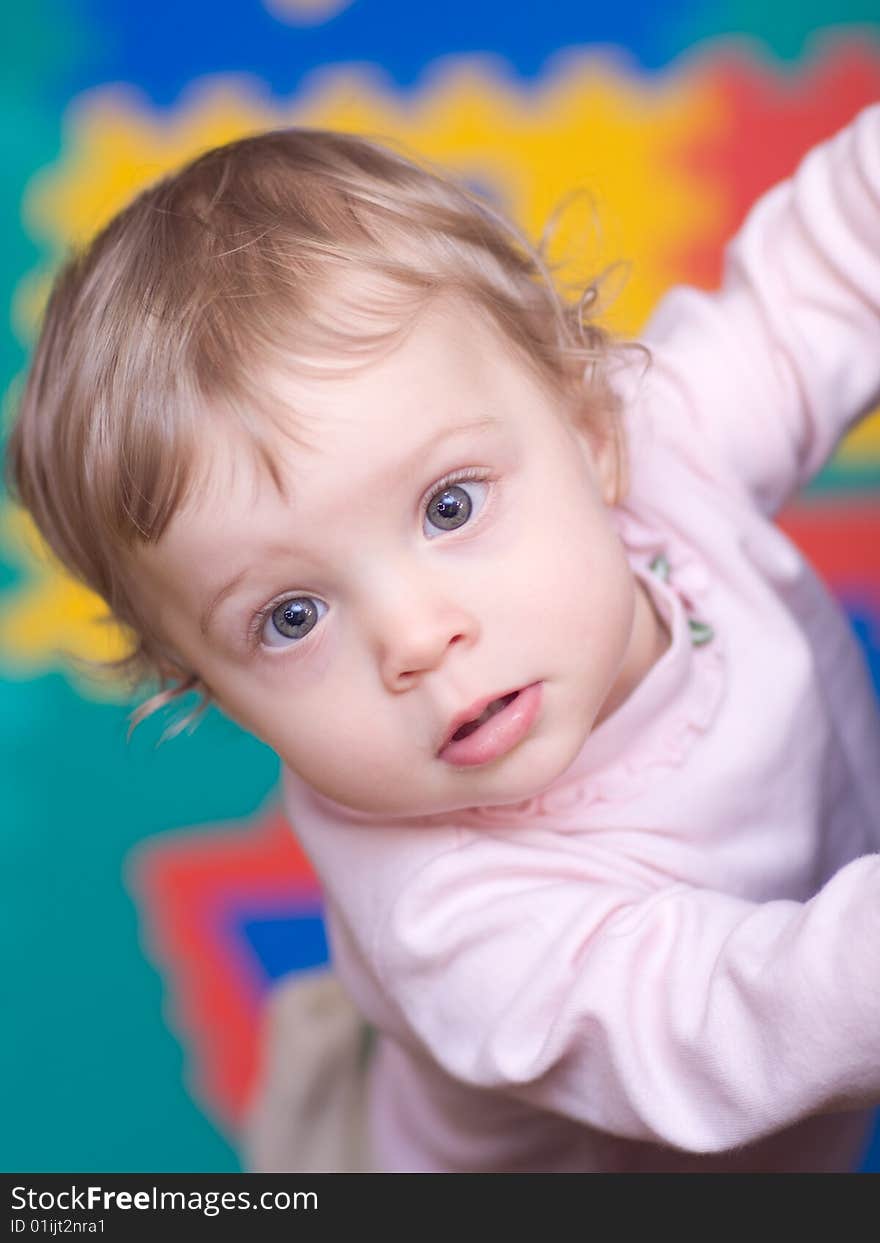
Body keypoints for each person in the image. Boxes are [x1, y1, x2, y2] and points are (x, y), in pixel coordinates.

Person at [7, 105, 880, 1173]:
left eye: (451, 507)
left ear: (589, 432)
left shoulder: (662, 457)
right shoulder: (449, 918)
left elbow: (821, 285)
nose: (415, 638)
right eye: (292, 617)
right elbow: (716, 1022)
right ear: (219, 696)